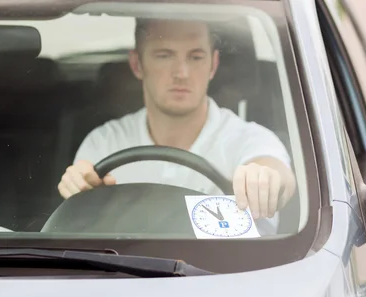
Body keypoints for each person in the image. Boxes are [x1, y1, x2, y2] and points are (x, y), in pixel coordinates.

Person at [57, 18, 296, 230]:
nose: (181, 72)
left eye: (195, 57)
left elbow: (275, 171)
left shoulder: (250, 139)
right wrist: (79, 188)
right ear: (137, 64)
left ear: (213, 65)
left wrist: (265, 180)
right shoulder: (104, 143)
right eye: (164, 55)